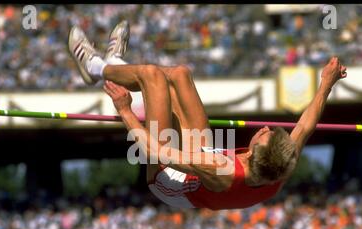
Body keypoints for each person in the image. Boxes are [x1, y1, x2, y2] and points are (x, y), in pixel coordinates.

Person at [68, 21, 347, 210]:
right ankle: (117, 64)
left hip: (169, 180)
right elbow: (306, 126)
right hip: (203, 160)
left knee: (152, 76)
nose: (264, 128)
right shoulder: (281, 163)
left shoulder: (224, 171)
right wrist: (326, 83)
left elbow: (156, 151)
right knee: (180, 75)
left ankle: (96, 67)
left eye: (265, 135)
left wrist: (125, 111)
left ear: (253, 154)